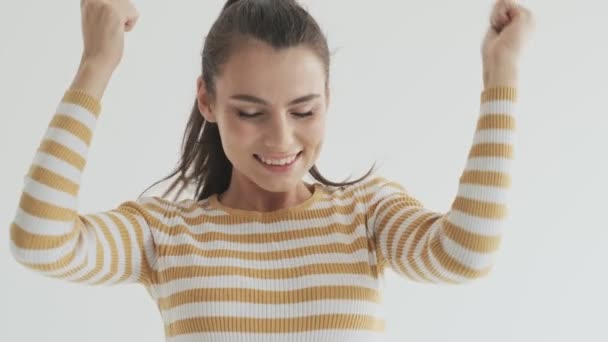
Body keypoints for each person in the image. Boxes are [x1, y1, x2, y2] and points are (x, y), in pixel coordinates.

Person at [8, 0, 534, 340]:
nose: (282, 140)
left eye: (304, 111)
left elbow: (467, 254)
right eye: (250, 112)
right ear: (207, 101)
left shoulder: (366, 216)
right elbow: (40, 242)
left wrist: (501, 78)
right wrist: (96, 66)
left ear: (328, 98)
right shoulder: (165, 234)